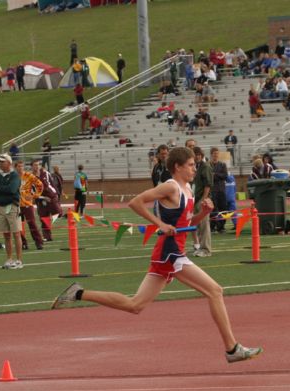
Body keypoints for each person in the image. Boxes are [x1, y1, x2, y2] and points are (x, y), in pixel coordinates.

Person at [51, 147, 262, 363]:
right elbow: (135, 202)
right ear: (177, 167)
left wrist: (204, 213)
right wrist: (160, 223)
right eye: (190, 165)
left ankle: (78, 293)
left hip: (170, 252)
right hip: (171, 253)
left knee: (135, 305)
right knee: (215, 291)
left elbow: (187, 224)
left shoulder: (187, 189)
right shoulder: (170, 187)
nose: (194, 169)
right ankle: (232, 348)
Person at [0, 154, 23, 269]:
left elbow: (12, 189)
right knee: (6, 235)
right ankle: (9, 259)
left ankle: (19, 260)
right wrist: (2, 189)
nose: (0, 164)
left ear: (9, 163)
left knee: (16, 233)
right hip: (1, 207)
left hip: (12, 207)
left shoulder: (15, 176)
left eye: (2, 162)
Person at [16, 160, 44, 251]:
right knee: (16, 226)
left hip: (27, 204)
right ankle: (23, 243)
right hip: (16, 205)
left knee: (32, 223)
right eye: (18, 166)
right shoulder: (12, 177)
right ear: (15, 167)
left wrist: (34, 195)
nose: (20, 168)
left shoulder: (29, 176)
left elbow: (40, 185)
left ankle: (39, 242)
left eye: (22, 166)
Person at [192, 147, 212, 257]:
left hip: (202, 199)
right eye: (195, 155)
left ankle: (206, 249)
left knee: (204, 225)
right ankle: (201, 247)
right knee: (198, 225)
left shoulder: (205, 166)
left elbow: (208, 185)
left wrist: (203, 199)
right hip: (196, 198)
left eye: (199, 154)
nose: (197, 156)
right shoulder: (196, 167)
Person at [209, 147, 228, 234]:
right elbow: (208, 176)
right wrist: (217, 176)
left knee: (223, 208)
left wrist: (214, 175)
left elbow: (225, 176)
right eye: (214, 154)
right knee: (213, 209)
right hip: (212, 190)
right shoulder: (208, 165)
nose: (215, 155)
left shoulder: (222, 164)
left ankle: (221, 227)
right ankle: (212, 226)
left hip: (221, 190)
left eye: (217, 153)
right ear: (211, 154)